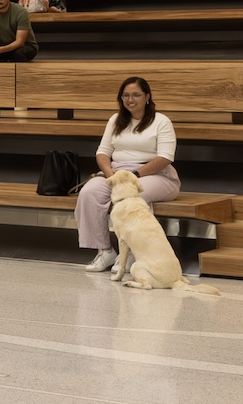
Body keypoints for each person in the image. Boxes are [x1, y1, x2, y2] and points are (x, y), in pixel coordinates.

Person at [76, 76, 178, 275]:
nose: (130, 100)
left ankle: (132, 252)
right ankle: (105, 250)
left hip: (156, 174)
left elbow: (165, 157)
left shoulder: (161, 121)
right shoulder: (115, 120)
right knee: (89, 193)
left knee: (134, 197)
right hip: (117, 172)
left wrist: (133, 175)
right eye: (125, 96)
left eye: (136, 95)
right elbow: (103, 152)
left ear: (147, 96)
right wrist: (110, 174)